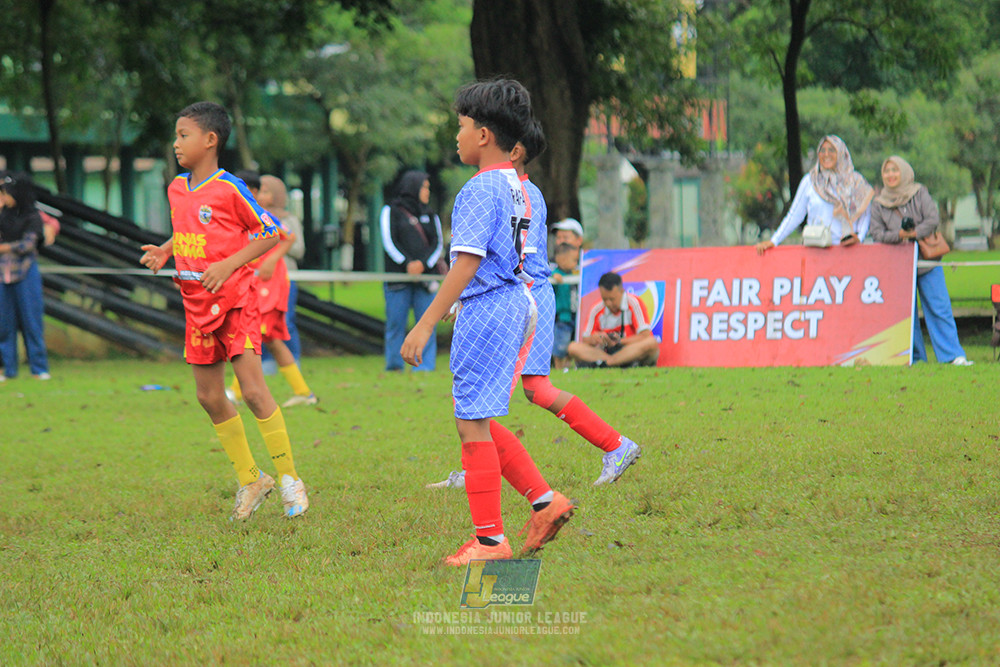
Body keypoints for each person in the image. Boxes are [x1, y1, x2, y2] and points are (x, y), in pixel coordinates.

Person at [401, 79, 573, 566]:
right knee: (476, 417)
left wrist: (425, 323)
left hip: (489, 307)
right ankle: (544, 502)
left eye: (460, 127)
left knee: (470, 424)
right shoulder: (518, 187)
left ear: (483, 135)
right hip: (516, 303)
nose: (455, 137)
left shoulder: (478, 189)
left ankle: (490, 542)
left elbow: (467, 263)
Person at [429, 121, 642, 491]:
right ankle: (615, 445)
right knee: (535, 388)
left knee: (483, 398)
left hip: (523, 299)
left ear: (513, 151)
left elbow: (514, 264)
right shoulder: (525, 192)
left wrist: (473, 299)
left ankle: (481, 465)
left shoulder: (515, 194)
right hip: (527, 297)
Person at [139, 101, 309, 520]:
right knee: (208, 396)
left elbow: (271, 232)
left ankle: (289, 478)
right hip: (196, 304)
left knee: (252, 390)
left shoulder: (231, 188)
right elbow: (187, 232)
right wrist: (165, 250)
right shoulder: (177, 187)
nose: (176, 143)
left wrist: (229, 264)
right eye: (176, 135)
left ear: (210, 140)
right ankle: (252, 479)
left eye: (184, 135)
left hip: (236, 301)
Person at [869, 155, 973, 366]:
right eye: (887, 171)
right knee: (907, 315)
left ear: (904, 172)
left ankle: (953, 356)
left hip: (927, 260)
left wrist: (914, 233)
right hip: (898, 265)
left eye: (895, 170)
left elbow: (932, 219)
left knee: (939, 307)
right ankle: (914, 358)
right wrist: (900, 235)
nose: (891, 175)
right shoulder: (879, 203)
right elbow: (877, 233)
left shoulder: (919, 192)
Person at [228, 171, 317, 407]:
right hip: (252, 284)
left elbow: (288, 238)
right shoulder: (237, 217)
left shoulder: (262, 216)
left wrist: (270, 260)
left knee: (250, 336)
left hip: (269, 284)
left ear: (253, 192)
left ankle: (236, 392)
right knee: (270, 339)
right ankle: (303, 392)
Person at [755, 135, 873, 254]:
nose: (826, 154)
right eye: (823, 150)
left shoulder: (856, 182)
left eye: (832, 150)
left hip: (848, 252)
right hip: (816, 252)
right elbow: (794, 215)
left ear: (841, 152)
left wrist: (860, 238)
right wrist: (774, 240)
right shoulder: (810, 181)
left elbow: (865, 214)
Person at [380, 170, 445, 372]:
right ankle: (394, 365)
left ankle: (424, 366)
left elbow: (438, 244)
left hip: (425, 281)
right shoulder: (390, 211)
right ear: (413, 187)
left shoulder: (430, 214)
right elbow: (389, 242)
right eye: (424, 187)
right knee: (395, 324)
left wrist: (422, 265)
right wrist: (407, 263)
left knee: (426, 323)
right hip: (398, 279)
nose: (427, 191)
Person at [0, 171, 51, 381]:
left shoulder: (32, 216)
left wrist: (3, 247)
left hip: (26, 272)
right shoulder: (3, 216)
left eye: (6, 193)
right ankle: (8, 369)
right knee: (4, 323)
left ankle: (39, 368)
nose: (4, 197)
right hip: (3, 275)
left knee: (31, 321)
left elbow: (27, 245)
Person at [568, 271, 660, 368]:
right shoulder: (596, 309)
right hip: (605, 352)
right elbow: (586, 339)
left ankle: (608, 363)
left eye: (612, 299)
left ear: (621, 291)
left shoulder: (634, 303)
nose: (608, 303)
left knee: (651, 343)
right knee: (573, 347)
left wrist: (620, 342)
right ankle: (611, 362)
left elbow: (645, 335)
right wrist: (597, 338)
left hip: (629, 350)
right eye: (605, 299)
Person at [259, 174, 304, 369]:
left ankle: (293, 361)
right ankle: (265, 363)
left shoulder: (288, 219)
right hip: (261, 279)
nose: (260, 195)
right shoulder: (255, 216)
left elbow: (298, 248)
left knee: (285, 321)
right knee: (260, 322)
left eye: (265, 191)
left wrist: (276, 243)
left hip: (284, 278)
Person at [549, 242, 580, 369]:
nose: (576, 263)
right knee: (560, 342)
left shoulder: (574, 273)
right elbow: (546, 275)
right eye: (574, 260)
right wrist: (554, 276)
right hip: (563, 316)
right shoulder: (555, 273)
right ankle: (558, 366)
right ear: (560, 259)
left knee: (570, 341)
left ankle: (567, 364)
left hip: (575, 315)